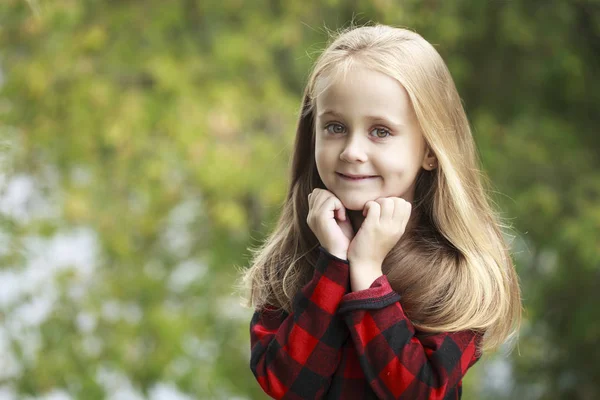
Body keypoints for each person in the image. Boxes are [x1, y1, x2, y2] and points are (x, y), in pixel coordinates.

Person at [241, 24, 522, 399]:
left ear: (430, 150)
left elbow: (419, 393)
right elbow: (286, 385)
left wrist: (368, 273)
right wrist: (333, 262)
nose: (352, 151)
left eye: (381, 132)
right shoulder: (291, 259)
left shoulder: (459, 269)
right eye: (335, 127)